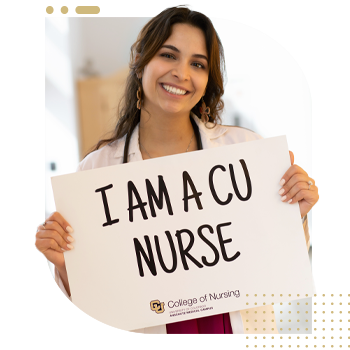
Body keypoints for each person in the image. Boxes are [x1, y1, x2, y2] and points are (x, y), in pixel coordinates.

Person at [36, 3, 320, 334]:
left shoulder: (243, 151)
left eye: (197, 64)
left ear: (206, 79)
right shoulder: (95, 172)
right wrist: (66, 265)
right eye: (169, 55)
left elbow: (282, 266)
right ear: (141, 62)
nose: (181, 73)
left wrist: (294, 215)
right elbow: (95, 302)